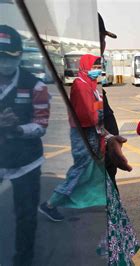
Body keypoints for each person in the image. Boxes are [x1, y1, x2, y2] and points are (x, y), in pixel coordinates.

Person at [0, 25, 50, 266]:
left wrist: (18, 128)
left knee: (26, 216)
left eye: (10, 57)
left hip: (26, 161)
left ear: (19, 55)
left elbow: (41, 125)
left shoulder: (36, 86)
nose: (5, 63)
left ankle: (24, 259)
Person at [38, 54, 106, 221]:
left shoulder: (90, 85)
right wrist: (100, 115)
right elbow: (86, 115)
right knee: (80, 170)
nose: (97, 70)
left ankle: (106, 200)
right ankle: (50, 204)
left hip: (90, 132)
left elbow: (94, 107)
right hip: (84, 133)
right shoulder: (81, 86)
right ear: (84, 67)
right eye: (94, 67)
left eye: (99, 67)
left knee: (96, 170)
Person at [98, 13, 132, 192]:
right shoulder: (79, 84)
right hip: (95, 174)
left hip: (106, 166)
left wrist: (110, 139)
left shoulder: (92, 83)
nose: (104, 45)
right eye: (102, 39)